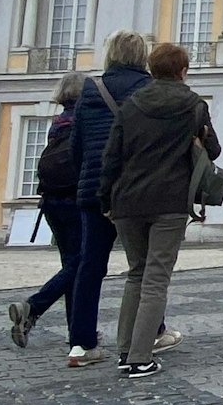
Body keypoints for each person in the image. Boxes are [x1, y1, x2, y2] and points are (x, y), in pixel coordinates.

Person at [98, 42, 221, 379]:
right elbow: (213, 150)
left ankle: (125, 350)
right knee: (156, 278)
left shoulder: (131, 105)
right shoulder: (194, 106)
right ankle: (140, 358)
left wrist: (106, 201)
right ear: (183, 71)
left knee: (136, 274)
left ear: (151, 70)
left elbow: (111, 156)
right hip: (169, 201)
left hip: (127, 201)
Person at [65, 31, 180, 367]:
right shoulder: (149, 89)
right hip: (136, 191)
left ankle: (81, 344)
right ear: (142, 56)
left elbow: (76, 144)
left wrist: (86, 177)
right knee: (145, 268)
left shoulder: (91, 89)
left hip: (93, 188)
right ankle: (150, 333)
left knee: (90, 265)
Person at [6, 74, 85, 347]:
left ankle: (76, 333)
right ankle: (34, 306)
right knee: (81, 263)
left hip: (51, 203)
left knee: (71, 265)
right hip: (75, 200)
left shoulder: (57, 123)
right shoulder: (82, 121)